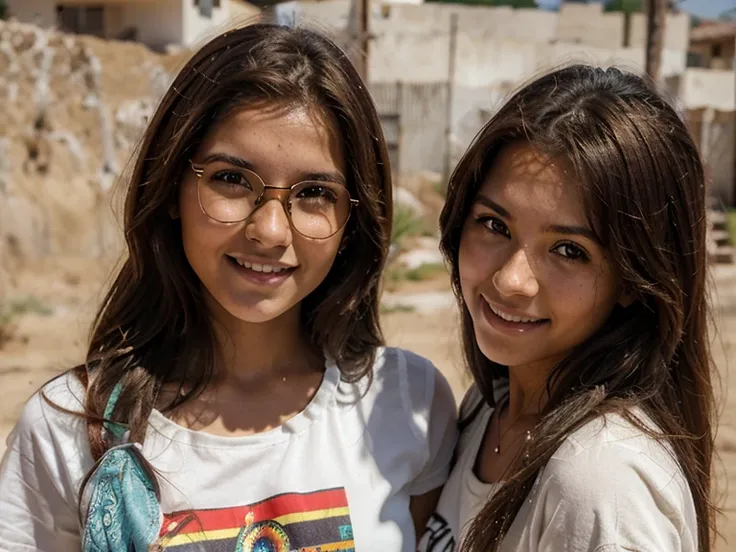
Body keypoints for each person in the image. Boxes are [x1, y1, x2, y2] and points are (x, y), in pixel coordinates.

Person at [0, 23, 457, 551]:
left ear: (351, 220)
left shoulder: (405, 402)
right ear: (172, 186)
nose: (269, 231)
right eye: (231, 180)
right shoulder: (67, 430)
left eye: (314, 193)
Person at [417, 65, 715, 552]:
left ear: (635, 281)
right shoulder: (488, 406)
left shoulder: (600, 483)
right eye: (494, 224)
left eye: (570, 251)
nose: (511, 280)